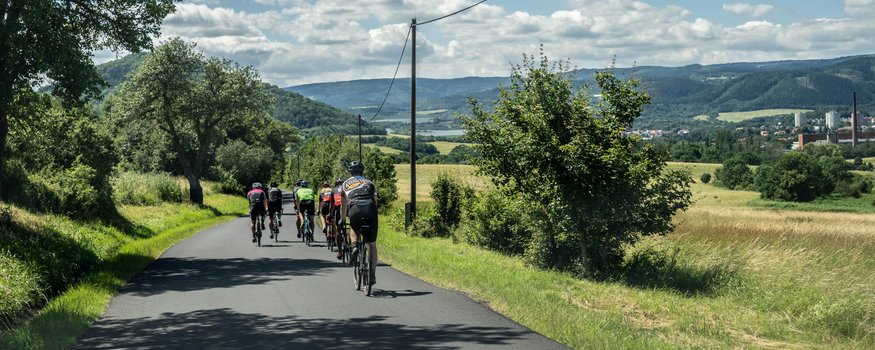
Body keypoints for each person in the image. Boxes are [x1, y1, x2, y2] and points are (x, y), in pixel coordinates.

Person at [340, 161, 379, 283]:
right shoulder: (370, 183)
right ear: (362, 171)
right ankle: (372, 273)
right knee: (372, 244)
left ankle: (354, 246)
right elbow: (375, 201)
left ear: (350, 172)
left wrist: (342, 219)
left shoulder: (345, 184)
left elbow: (343, 205)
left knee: (353, 227)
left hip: (355, 207)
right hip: (370, 208)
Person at [331, 178, 345, 260]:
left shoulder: (334, 190)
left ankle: (340, 252)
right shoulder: (346, 187)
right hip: (348, 208)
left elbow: (332, 204)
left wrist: (331, 214)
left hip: (338, 209)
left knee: (338, 230)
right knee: (352, 226)